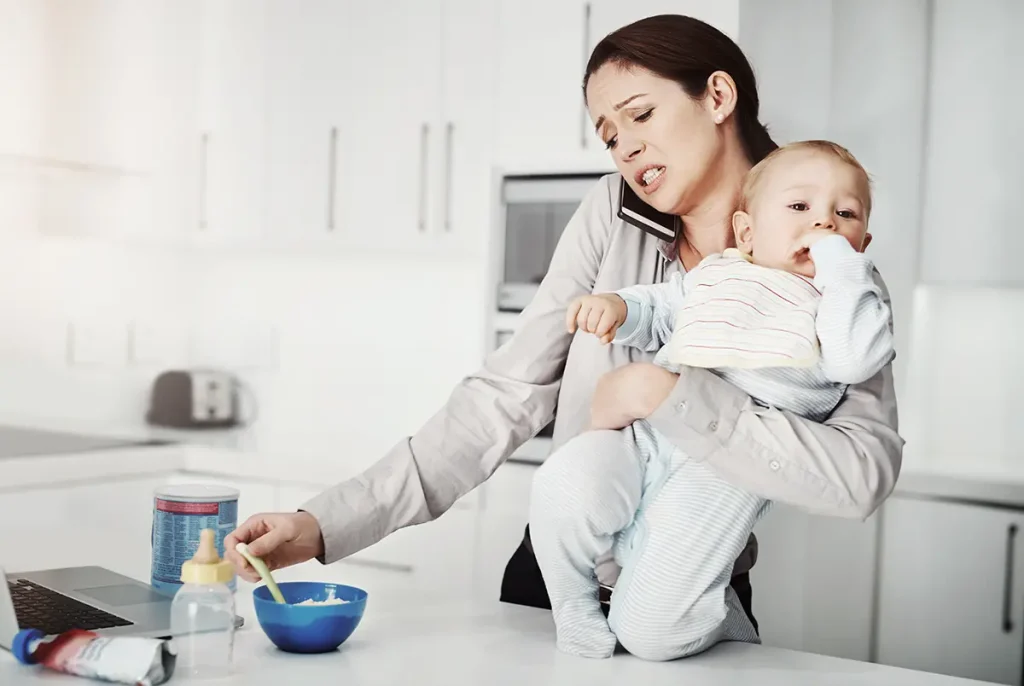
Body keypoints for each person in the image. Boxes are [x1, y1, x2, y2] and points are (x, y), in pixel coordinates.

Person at [224, 14, 904, 651]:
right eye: (609, 134)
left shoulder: (833, 252)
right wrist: (323, 526)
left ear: (718, 95)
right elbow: (502, 398)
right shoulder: (612, 213)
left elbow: (860, 474)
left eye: (640, 113)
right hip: (555, 571)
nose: (625, 145)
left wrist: (662, 395)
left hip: (695, 590)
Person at [529, 140, 895, 660]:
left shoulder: (848, 304)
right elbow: (660, 308)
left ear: (862, 242)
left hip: (725, 468)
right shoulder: (718, 274)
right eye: (800, 208)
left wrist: (844, 271)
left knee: (650, 635)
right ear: (747, 231)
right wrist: (618, 307)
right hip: (648, 435)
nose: (824, 225)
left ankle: (716, 615)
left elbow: (856, 360)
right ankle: (573, 606)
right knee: (560, 484)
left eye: (845, 214)